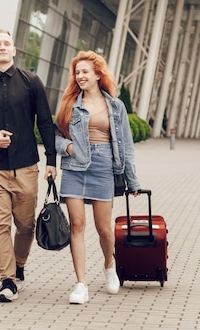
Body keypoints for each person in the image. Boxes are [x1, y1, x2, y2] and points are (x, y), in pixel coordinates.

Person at [0, 28, 56, 303]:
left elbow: (46, 122)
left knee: (25, 225)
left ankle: (20, 265)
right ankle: (7, 280)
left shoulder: (32, 82)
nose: (2, 47)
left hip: (27, 165)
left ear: (14, 51)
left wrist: (52, 160)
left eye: (7, 43)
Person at [54, 50, 141, 305]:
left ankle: (109, 265)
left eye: (85, 72)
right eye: (77, 72)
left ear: (97, 74)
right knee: (77, 225)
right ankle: (81, 283)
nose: (80, 76)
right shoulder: (69, 103)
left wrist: (132, 180)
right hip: (74, 166)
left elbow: (126, 145)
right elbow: (55, 135)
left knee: (103, 228)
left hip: (103, 166)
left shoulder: (115, 105)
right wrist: (66, 148)